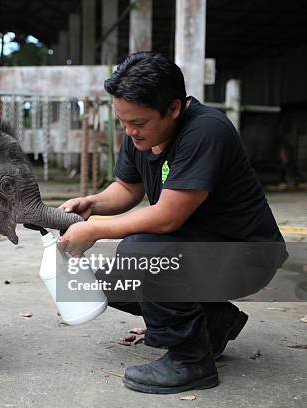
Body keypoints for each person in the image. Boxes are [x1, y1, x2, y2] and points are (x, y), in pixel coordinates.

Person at [57, 52, 286, 394]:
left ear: (174, 108)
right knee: (101, 282)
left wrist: (94, 229)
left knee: (140, 252)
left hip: (248, 257)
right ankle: (213, 322)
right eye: (123, 121)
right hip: (203, 249)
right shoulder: (140, 133)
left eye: (138, 122)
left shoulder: (206, 130)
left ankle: (190, 361)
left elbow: (167, 217)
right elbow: (126, 188)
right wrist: (93, 204)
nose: (129, 131)